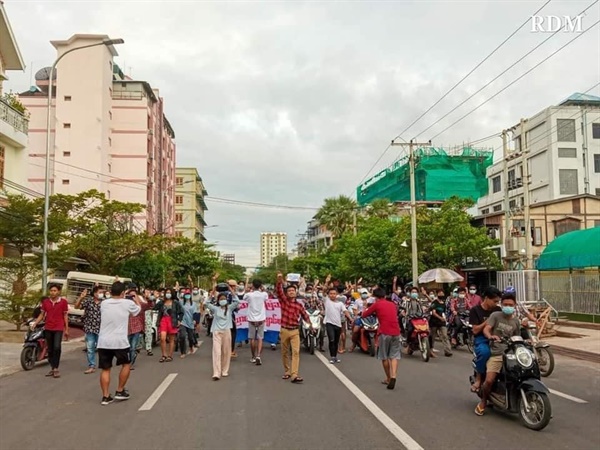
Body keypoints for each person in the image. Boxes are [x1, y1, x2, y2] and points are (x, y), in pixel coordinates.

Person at [475, 292, 521, 416]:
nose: (508, 306)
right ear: (501, 304)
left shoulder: (516, 321)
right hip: (497, 353)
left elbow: (518, 336)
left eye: (510, 304)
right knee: (489, 381)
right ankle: (483, 401)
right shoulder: (495, 315)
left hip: (511, 354)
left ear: (515, 305)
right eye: (505, 304)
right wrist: (490, 336)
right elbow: (486, 328)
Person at [97, 281, 141, 405]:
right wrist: (134, 298)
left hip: (104, 341)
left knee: (105, 369)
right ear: (123, 292)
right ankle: (120, 390)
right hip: (120, 341)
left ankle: (105, 396)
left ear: (110, 292)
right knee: (126, 364)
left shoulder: (104, 303)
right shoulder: (128, 303)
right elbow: (137, 310)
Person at [361, 288, 401, 390]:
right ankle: (394, 376)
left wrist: (365, 306)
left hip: (384, 332)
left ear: (375, 297)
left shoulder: (377, 304)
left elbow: (364, 315)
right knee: (394, 356)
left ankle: (388, 378)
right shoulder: (392, 304)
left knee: (384, 356)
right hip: (396, 331)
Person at [276, 272, 312, 384]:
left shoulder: (299, 305)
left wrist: (310, 325)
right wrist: (279, 280)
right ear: (287, 293)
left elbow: (305, 315)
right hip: (284, 330)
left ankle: (294, 374)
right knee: (284, 352)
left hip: (295, 331)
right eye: (289, 291)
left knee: (296, 352)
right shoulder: (284, 301)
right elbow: (279, 291)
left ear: (296, 292)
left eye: (293, 291)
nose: (291, 292)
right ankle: (287, 371)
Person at [32, 283, 69, 379]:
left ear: (59, 292)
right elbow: (42, 314)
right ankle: (52, 367)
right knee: (51, 349)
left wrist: (66, 329)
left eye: (55, 291)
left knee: (57, 347)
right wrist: (35, 323)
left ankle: (56, 368)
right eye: (51, 291)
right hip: (48, 327)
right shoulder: (46, 302)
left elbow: (65, 315)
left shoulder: (63, 302)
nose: (53, 292)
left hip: (58, 327)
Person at [469, 287, 502, 393]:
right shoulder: (475, 310)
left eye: (498, 301)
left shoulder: (498, 310)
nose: (496, 304)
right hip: (481, 339)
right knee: (485, 352)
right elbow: (475, 330)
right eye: (494, 301)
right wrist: (488, 321)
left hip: (497, 337)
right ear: (487, 298)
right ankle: (479, 379)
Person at [206, 292, 240, 380]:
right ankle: (216, 373)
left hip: (226, 332)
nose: (222, 301)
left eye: (224, 299)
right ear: (218, 301)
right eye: (221, 299)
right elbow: (206, 303)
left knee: (226, 352)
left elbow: (237, 301)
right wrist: (212, 293)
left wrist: (231, 291)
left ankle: (224, 370)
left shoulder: (229, 308)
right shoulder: (215, 309)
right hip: (217, 332)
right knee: (217, 352)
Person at [75, 286, 104, 374]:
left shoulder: (105, 302)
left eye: (102, 292)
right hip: (89, 328)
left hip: (101, 329)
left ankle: (104, 364)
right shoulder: (88, 301)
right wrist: (81, 297)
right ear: (94, 293)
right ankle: (92, 365)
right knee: (90, 348)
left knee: (102, 348)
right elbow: (77, 307)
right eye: (100, 292)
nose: (101, 294)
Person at [324, 286, 353, 364]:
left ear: (336, 294)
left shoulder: (340, 303)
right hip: (329, 323)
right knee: (332, 340)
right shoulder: (327, 301)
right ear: (328, 295)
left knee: (336, 341)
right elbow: (324, 291)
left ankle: (335, 356)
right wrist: (326, 283)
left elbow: (345, 311)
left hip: (338, 324)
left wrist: (350, 319)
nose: (332, 295)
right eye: (331, 294)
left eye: (334, 294)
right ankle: (332, 357)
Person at [154, 288, 183, 362]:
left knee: (171, 339)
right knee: (162, 338)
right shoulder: (162, 302)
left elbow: (181, 312)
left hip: (172, 321)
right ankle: (164, 355)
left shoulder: (175, 302)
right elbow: (155, 307)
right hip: (163, 320)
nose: (168, 294)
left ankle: (170, 355)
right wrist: (154, 298)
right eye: (167, 292)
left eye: (169, 292)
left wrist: (179, 320)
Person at [244, 279, 268, 365]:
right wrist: (262, 288)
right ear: (261, 285)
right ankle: (258, 355)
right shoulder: (264, 294)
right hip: (261, 319)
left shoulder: (249, 295)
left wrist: (248, 288)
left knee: (252, 338)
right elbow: (266, 295)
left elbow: (244, 297)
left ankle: (253, 357)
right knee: (260, 338)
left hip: (251, 319)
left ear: (253, 286)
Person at [126, 286, 149, 370]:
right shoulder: (125, 304)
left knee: (132, 347)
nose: (132, 297)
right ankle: (129, 359)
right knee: (127, 347)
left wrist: (146, 298)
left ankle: (130, 363)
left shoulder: (140, 304)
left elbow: (148, 305)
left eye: (134, 295)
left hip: (137, 328)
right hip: (127, 328)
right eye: (130, 296)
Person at [428, 289, 452, 357]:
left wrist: (444, 318)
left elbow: (444, 312)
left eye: (442, 293)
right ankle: (430, 350)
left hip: (442, 322)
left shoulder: (444, 303)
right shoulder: (434, 303)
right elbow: (433, 312)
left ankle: (448, 351)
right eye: (440, 293)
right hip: (434, 322)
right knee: (432, 337)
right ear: (437, 294)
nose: (441, 295)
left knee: (445, 335)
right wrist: (440, 318)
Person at [179, 289, 198, 358]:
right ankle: (183, 352)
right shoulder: (181, 303)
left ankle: (191, 346)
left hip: (190, 322)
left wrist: (195, 320)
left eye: (188, 294)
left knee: (190, 337)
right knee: (182, 336)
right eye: (186, 294)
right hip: (183, 322)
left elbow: (195, 313)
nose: (187, 296)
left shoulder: (193, 304)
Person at [143, 289, 156, 356]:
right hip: (140, 318)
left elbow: (152, 306)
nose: (148, 293)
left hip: (148, 318)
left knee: (148, 333)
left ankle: (149, 348)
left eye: (149, 292)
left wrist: (150, 300)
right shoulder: (140, 300)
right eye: (146, 292)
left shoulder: (150, 301)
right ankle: (137, 346)